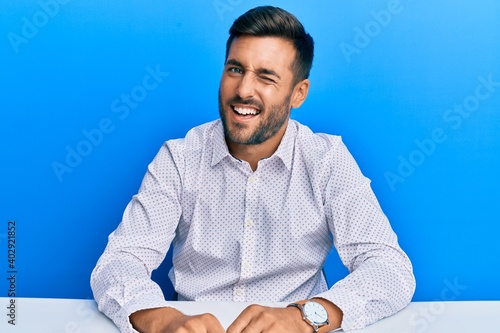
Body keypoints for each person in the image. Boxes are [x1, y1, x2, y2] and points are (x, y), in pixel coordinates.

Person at [91, 6, 415, 333]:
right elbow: (119, 262)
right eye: (235, 69)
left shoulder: (326, 160)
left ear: (298, 93)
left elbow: (390, 268)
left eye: (266, 76)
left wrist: (304, 317)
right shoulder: (181, 158)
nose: (244, 90)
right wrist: (162, 319)